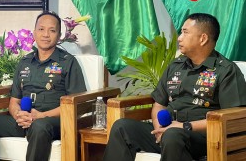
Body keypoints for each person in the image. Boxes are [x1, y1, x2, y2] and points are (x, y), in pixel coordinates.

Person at [103, 13, 246, 161]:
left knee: (173, 135)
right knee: (122, 128)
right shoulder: (176, 65)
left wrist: (185, 127)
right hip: (168, 132)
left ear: (203, 38)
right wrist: (160, 129)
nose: (179, 38)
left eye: (185, 32)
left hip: (204, 138)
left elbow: (233, 116)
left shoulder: (226, 70)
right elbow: (159, 104)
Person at [0, 11, 87, 160]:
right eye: (41, 29)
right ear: (34, 33)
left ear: (58, 36)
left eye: (52, 30)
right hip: (25, 120)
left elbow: (77, 103)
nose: (46, 34)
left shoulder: (68, 62)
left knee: (39, 126)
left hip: (52, 122)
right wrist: (18, 115)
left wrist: (41, 116)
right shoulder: (24, 62)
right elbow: (14, 101)